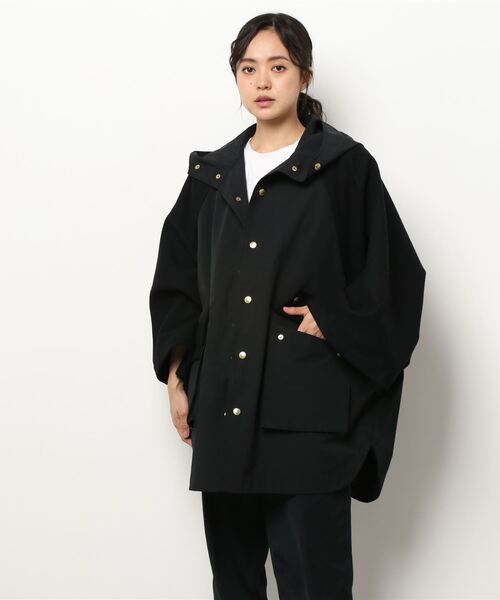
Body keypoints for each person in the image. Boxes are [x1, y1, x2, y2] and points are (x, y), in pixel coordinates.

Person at [149, 12, 426, 600]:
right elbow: (177, 283)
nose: (262, 82)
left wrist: (336, 322)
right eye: (249, 69)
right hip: (224, 411)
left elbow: (397, 279)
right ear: (236, 77)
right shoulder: (211, 176)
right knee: (235, 585)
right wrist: (176, 373)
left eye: (278, 67)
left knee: (314, 585)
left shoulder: (345, 169)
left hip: (307, 418)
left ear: (304, 75)